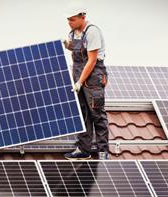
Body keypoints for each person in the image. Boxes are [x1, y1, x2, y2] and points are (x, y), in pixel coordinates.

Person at [63, 2, 109, 160]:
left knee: (97, 113)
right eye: (68, 20)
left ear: (83, 17)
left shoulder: (92, 32)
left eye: (73, 19)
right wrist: (67, 45)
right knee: (82, 113)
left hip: (93, 77)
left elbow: (91, 60)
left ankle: (103, 150)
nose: (70, 22)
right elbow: (76, 51)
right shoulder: (73, 32)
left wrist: (80, 82)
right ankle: (84, 149)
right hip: (78, 75)